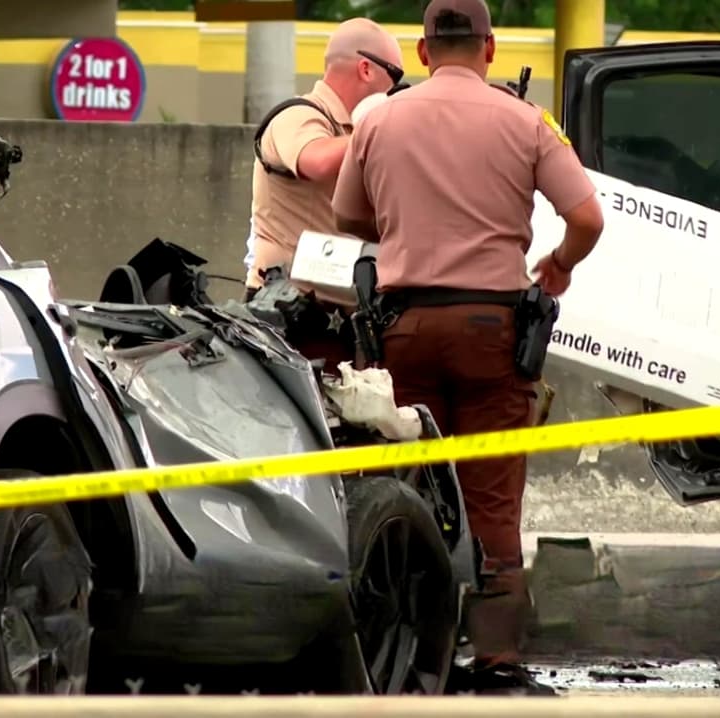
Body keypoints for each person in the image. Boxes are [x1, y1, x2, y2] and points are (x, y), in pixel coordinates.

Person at [330, 0, 604, 693]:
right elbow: (587, 217)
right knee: (491, 498)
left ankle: (409, 653)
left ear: (422, 53)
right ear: (488, 48)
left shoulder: (380, 119)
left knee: (410, 491)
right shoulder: (525, 121)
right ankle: (496, 662)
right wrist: (560, 263)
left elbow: (346, 215)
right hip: (492, 333)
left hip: (405, 331)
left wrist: (403, 225)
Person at [244, 17, 404, 371]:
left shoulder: (354, 129)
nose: (396, 89)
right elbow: (314, 160)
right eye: (394, 75)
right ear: (365, 68)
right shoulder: (296, 116)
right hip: (291, 314)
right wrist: (379, 131)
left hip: (345, 315)